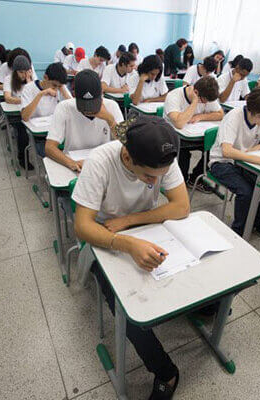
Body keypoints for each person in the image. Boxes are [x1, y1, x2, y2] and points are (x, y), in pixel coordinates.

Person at [73, 115, 189, 400]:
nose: (155, 181)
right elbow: (82, 225)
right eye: (149, 176)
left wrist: (130, 221)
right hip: (105, 236)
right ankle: (166, 372)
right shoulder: (101, 161)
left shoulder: (162, 159)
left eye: (159, 176)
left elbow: (182, 206)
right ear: (127, 154)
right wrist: (124, 242)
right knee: (127, 308)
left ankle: (206, 308)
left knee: (197, 272)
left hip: (140, 229)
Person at [209, 88, 260, 240]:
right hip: (222, 163)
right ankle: (238, 232)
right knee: (247, 192)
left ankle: (255, 221)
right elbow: (227, 151)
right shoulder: (234, 116)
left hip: (245, 163)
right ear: (250, 109)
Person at [45, 70, 123, 172]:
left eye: (93, 104)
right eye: (83, 106)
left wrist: (110, 120)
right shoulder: (64, 107)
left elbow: (125, 143)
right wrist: (71, 163)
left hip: (104, 161)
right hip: (74, 161)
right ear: (74, 95)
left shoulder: (112, 106)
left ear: (101, 94)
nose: (88, 111)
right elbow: (49, 147)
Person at [164, 76, 224, 190]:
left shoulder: (206, 94)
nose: (205, 104)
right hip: (173, 135)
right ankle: (180, 182)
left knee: (214, 149)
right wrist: (195, 102)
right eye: (203, 101)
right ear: (196, 92)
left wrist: (201, 116)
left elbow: (220, 114)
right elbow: (179, 124)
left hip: (195, 134)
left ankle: (195, 178)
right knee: (183, 152)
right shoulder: (174, 96)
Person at [19, 62, 71, 163]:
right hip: (40, 137)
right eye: (54, 85)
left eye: (58, 86)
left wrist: (63, 90)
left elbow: (73, 107)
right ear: (45, 77)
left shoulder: (60, 89)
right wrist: (41, 94)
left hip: (57, 133)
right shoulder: (29, 88)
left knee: (70, 152)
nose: (55, 89)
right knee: (55, 157)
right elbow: (25, 117)